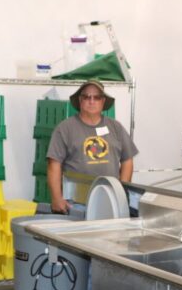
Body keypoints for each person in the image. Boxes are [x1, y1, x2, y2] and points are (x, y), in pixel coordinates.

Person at [47, 80, 139, 214]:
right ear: (80, 100)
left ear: (103, 101)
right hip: (76, 204)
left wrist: (121, 191)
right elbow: (53, 164)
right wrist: (56, 198)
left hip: (111, 201)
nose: (91, 101)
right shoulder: (65, 129)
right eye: (86, 97)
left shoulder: (116, 128)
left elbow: (127, 160)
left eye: (96, 97)